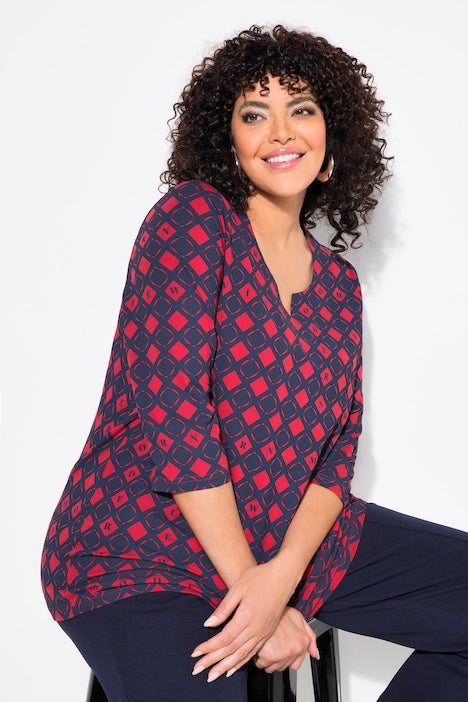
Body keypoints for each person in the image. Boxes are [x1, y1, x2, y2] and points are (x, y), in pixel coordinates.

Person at [41, 24, 468, 702]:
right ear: (228, 140)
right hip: (142, 550)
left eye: (301, 108)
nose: (280, 131)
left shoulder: (338, 285)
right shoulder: (192, 220)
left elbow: (336, 456)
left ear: (332, 137)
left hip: (287, 543)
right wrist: (254, 595)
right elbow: (177, 421)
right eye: (253, 114)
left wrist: (280, 580)